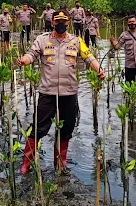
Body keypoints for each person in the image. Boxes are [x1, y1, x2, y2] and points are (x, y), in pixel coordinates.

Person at [17, 10, 105, 174]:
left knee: (66, 130)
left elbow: (89, 57)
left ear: (68, 23)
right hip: (47, 92)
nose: (61, 24)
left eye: (64, 22)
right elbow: (32, 54)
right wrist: (24, 60)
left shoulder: (76, 41)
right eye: (57, 21)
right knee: (38, 129)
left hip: (69, 93)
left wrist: (99, 70)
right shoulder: (42, 39)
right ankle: (26, 164)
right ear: (52, 23)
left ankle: (60, 163)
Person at [109, 16, 136, 83]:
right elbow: (117, 47)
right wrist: (113, 41)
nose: (131, 23)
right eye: (130, 22)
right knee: (129, 88)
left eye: (133, 22)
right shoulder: (124, 35)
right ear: (127, 24)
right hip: (129, 65)